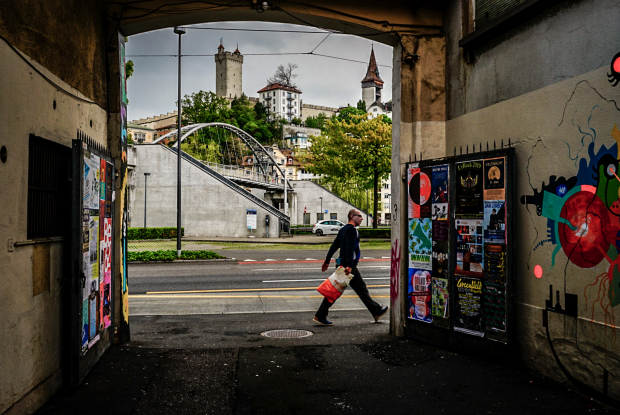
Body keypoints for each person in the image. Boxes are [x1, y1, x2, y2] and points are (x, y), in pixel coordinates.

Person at [313, 209, 389, 325]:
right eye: (359, 216)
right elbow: (349, 248)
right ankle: (376, 311)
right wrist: (349, 265)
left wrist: (327, 261)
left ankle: (320, 315)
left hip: (343, 264)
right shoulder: (352, 230)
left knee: (339, 289)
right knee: (359, 289)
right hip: (348, 265)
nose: (361, 218)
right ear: (352, 216)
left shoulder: (343, 229)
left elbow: (334, 246)